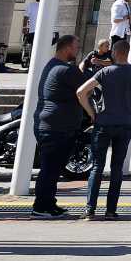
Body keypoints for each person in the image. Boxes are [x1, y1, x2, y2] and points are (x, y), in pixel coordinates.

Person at [75, 36, 131, 219]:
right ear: (127, 52)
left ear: (115, 53)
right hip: (124, 124)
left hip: (103, 123)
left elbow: (81, 92)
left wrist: (91, 112)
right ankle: (110, 210)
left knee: (97, 166)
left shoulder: (105, 72)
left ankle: (90, 209)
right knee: (117, 168)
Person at [30, 34, 89, 219]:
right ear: (66, 48)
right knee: (50, 168)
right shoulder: (65, 70)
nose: (77, 50)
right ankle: (40, 206)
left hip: (51, 124)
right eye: (76, 46)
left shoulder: (52, 65)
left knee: (53, 168)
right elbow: (88, 85)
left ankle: (48, 203)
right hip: (56, 127)